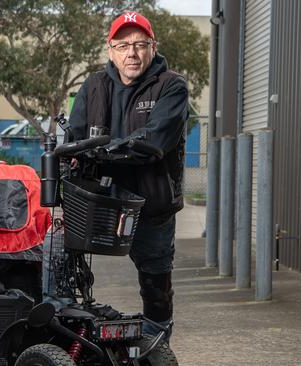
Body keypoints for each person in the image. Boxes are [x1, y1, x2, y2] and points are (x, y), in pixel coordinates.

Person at [68, 11, 189, 339]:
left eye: (140, 44)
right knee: (63, 272)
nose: (131, 53)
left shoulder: (171, 87)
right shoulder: (94, 86)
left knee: (155, 284)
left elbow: (155, 140)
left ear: (153, 47)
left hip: (151, 205)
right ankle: (71, 340)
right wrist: (74, 158)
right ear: (111, 50)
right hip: (99, 204)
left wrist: (104, 150)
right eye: (123, 45)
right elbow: (75, 139)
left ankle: (157, 343)